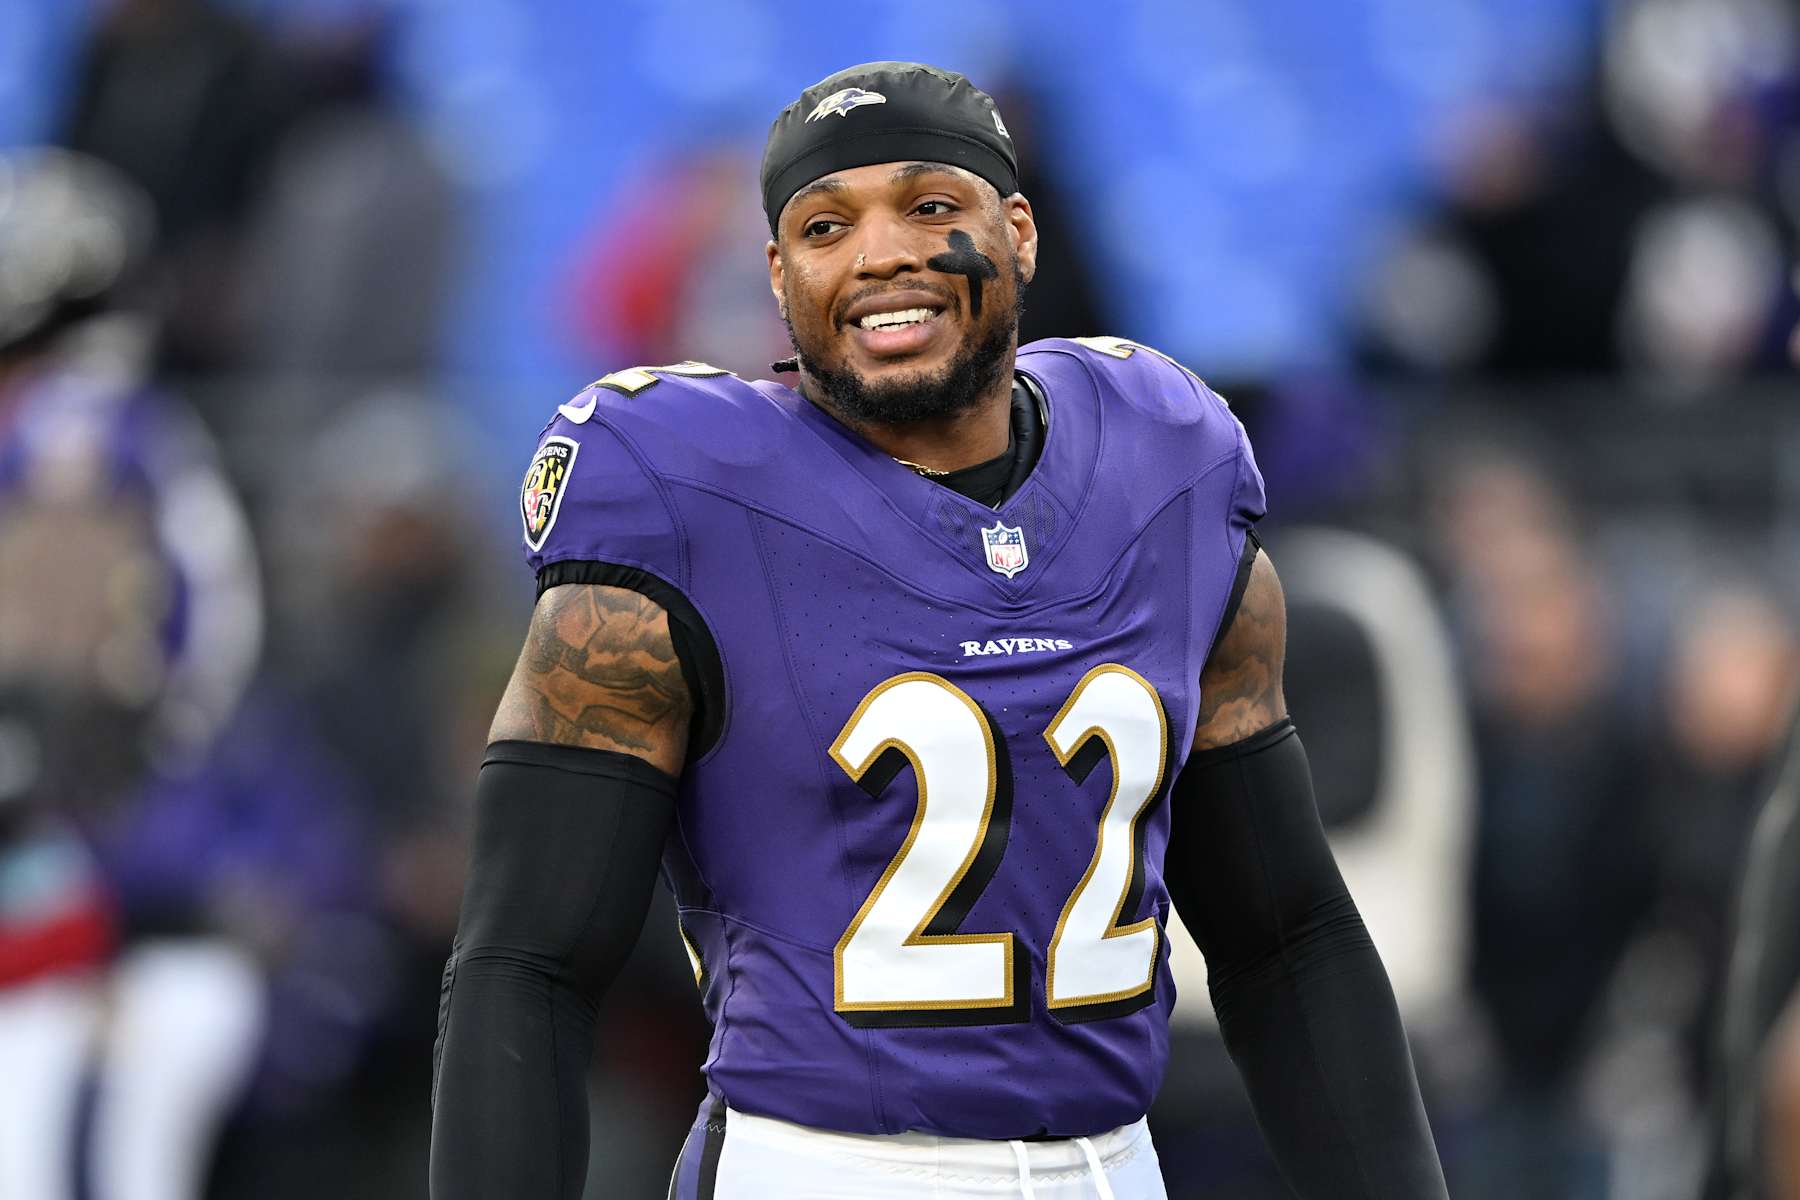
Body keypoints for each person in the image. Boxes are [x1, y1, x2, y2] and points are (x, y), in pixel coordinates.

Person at [430, 62, 1447, 1199]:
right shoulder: (683, 496)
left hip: (1115, 1165)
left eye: (927, 207)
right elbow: (526, 965)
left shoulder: (1167, 467)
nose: (880, 255)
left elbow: (1286, 935)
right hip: (823, 1165)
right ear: (778, 273)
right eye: (826, 225)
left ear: (1016, 232)